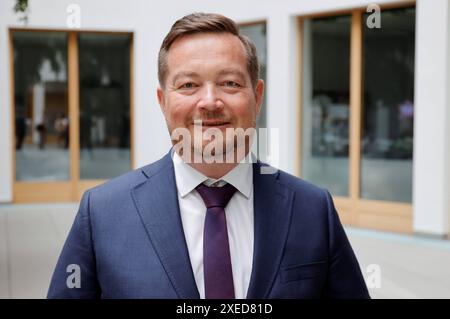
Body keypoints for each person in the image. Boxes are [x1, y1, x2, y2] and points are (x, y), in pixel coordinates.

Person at [48, 13, 369, 299]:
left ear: (257, 97)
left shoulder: (313, 210)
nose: (210, 101)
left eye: (229, 83)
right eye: (188, 85)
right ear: (163, 101)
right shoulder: (103, 213)